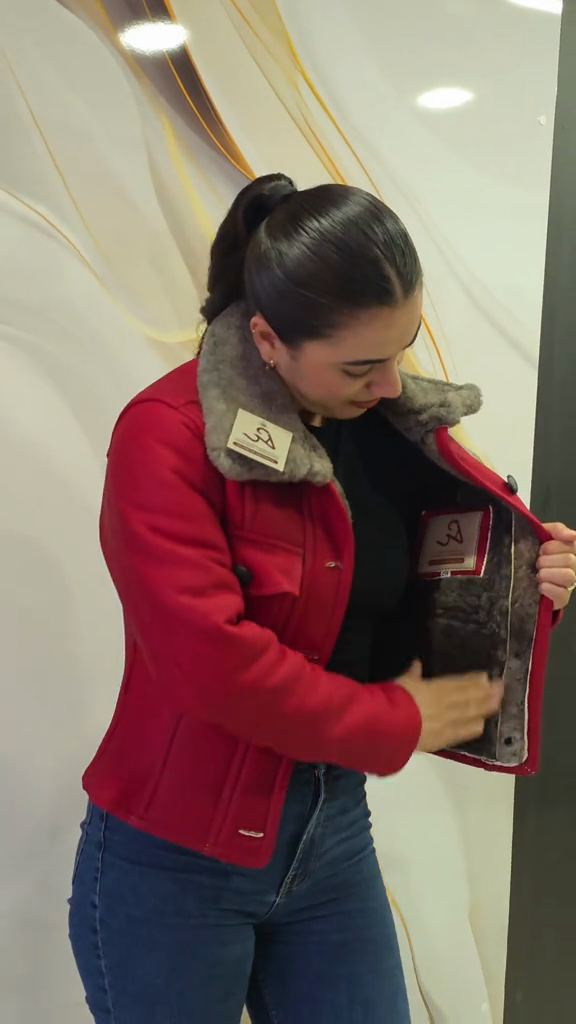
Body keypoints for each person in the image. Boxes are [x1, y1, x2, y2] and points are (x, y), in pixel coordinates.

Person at [68, 174, 576, 1024]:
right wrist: (393, 721)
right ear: (268, 340)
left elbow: (405, 602)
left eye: (402, 351)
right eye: (361, 365)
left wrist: (522, 588)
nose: (390, 385)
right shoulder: (167, 436)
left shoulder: (378, 427)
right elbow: (213, 664)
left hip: (331, 835)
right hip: (174, 859)